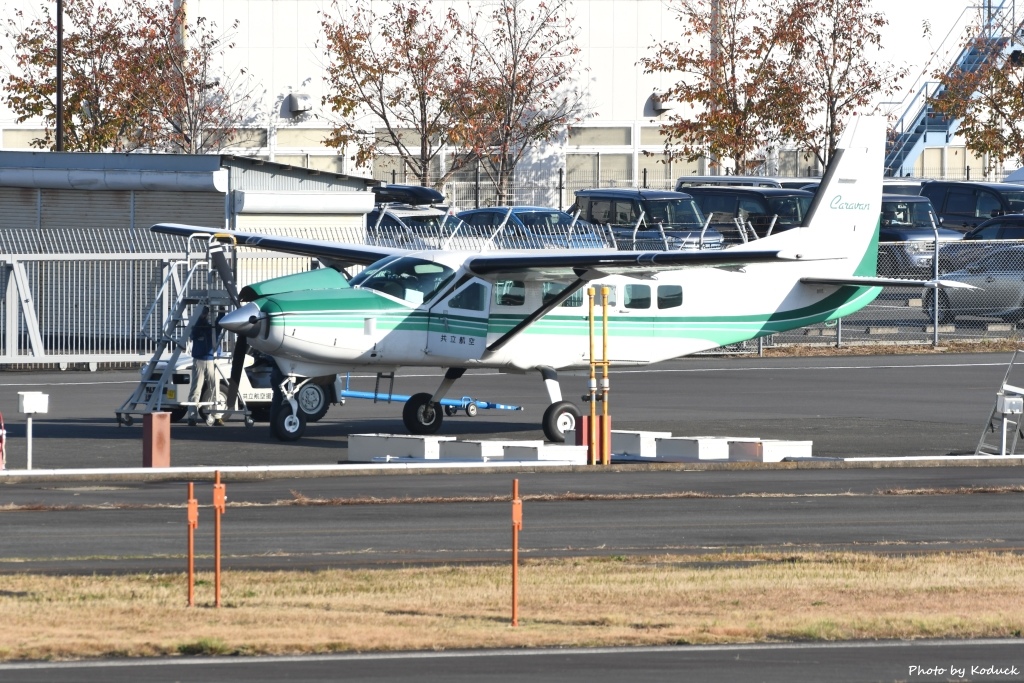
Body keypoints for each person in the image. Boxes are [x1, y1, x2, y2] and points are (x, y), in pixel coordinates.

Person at [187, 307, 222, 426]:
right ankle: (192, 417)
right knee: (196, 388)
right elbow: (194, 332)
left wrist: (221, 312)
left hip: (210, 360)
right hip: (200, 360)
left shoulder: (213, 329)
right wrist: (202, 317)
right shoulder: (198, 327)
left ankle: (216, 415)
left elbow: (220, 323)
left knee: (214, 388)